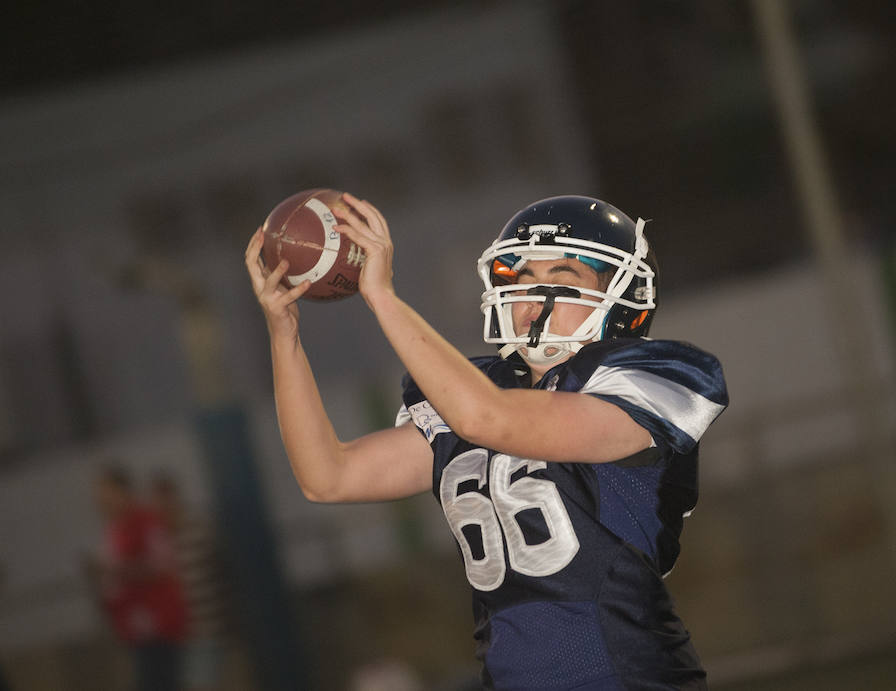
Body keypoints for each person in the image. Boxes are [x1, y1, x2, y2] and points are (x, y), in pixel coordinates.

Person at [245, 193, 728, 690]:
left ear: (622, 294)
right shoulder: (474, 390)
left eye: (563, 278)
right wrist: (284, 336)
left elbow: (488, 419)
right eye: (521, 279)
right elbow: (329, 477)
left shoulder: (651, 376)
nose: (533, 295)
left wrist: (384, 298)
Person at [85, 465, 186, 691]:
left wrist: (114, 570)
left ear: (122, 491)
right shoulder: (114, 530)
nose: (100, 500)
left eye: (105, 492)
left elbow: (159, 565)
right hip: (134, 629)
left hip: (158, 626)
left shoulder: (145, 521)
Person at [151, 472, 230, 691]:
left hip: (206, 626)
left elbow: (221, 570)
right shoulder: (160, 541)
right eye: (158, 502)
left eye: (166, 500)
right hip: (177, 633)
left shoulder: (198, 530)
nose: (163, 507)